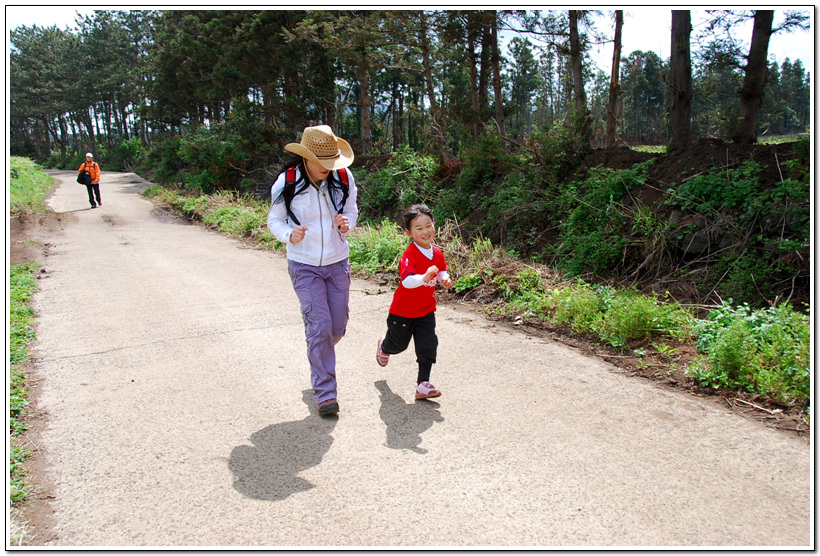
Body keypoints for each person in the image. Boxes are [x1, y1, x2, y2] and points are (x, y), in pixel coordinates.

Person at [267, 125, 358, 417]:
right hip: (304, 265)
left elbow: (352, 211)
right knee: (320, 327)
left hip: (337, 262)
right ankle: (325, 393)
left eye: (331, 161)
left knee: (336, 327)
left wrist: (347, 224)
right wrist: (288, 234)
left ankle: (318, 345)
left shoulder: (342, 177)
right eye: (321, 162)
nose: (327, 168)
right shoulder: (287, 182)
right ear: (306, 158)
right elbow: (275, 221)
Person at [376, 203, 453, 400]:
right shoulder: (409, 255)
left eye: (428, 225)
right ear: (409, 233)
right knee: (399, 346)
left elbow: (442, 268)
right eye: (419, 228)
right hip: (402, 312)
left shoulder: (437, 253)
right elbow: (407, 281)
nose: (425, 231)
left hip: (426, 310)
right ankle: (384, 346)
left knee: (428, 344)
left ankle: (423, 385)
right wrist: (424, 278)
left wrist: (444, 278)